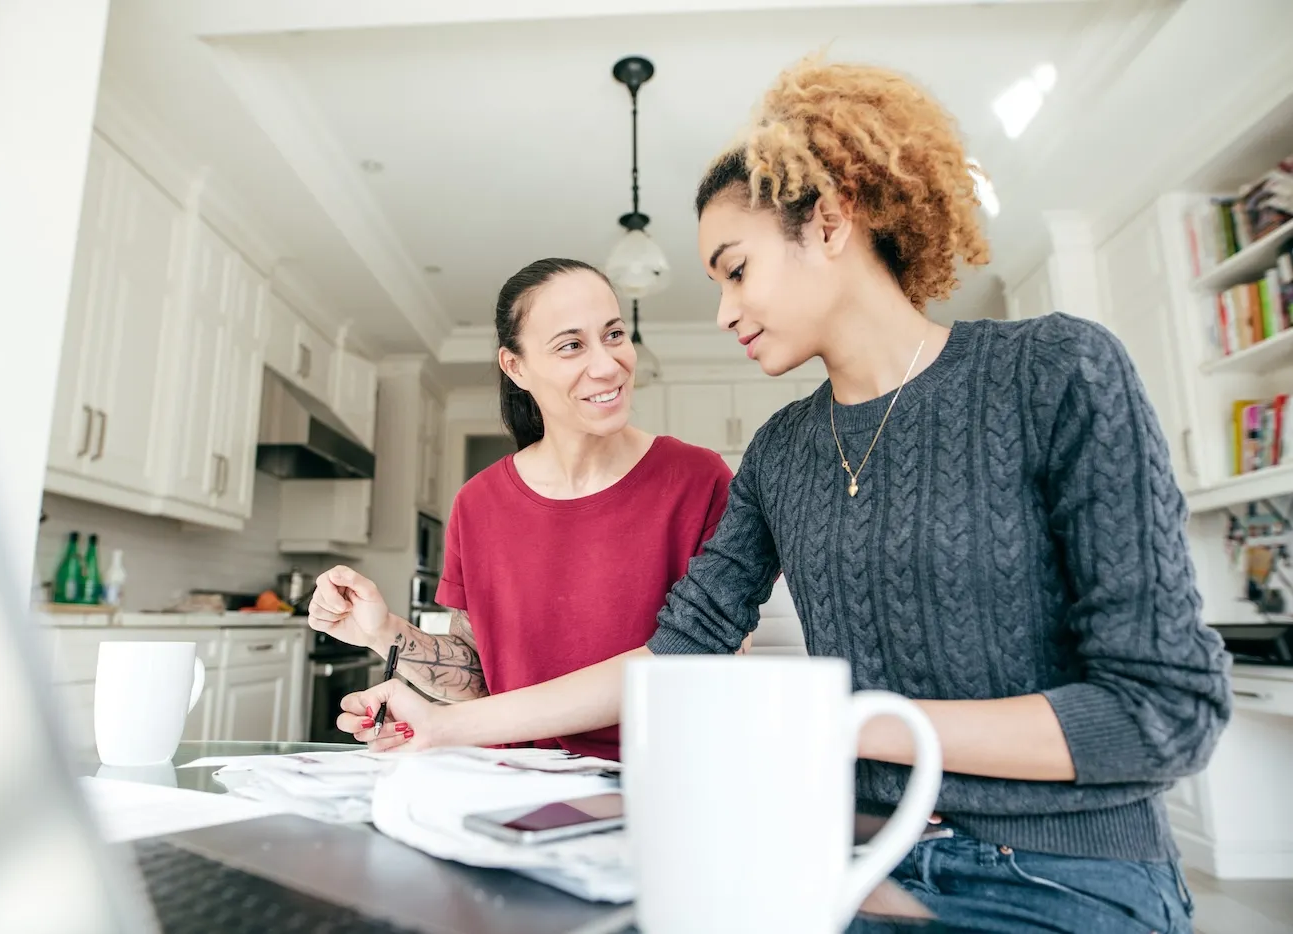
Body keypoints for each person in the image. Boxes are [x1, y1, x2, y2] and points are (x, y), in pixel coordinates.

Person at [321, 57, 1231, 932]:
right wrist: (446, 727)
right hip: (853, 853)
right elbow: (673, 657)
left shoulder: (1053, 371)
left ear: (830, 223)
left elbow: (1164, 713)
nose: (721, 312)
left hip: (1066, 871)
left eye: (735, 268)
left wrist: (842, 723)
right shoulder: (783, 450)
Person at [308, 257, 737, 760]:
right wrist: (383, 632)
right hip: (514, 779)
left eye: (615, 334)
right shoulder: (477, 504)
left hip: (662, 777)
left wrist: (450, 726)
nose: (607, 364)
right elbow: (480, 677)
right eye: (572, 345)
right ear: (515, 366)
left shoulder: (700, 479)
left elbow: (706, 659)